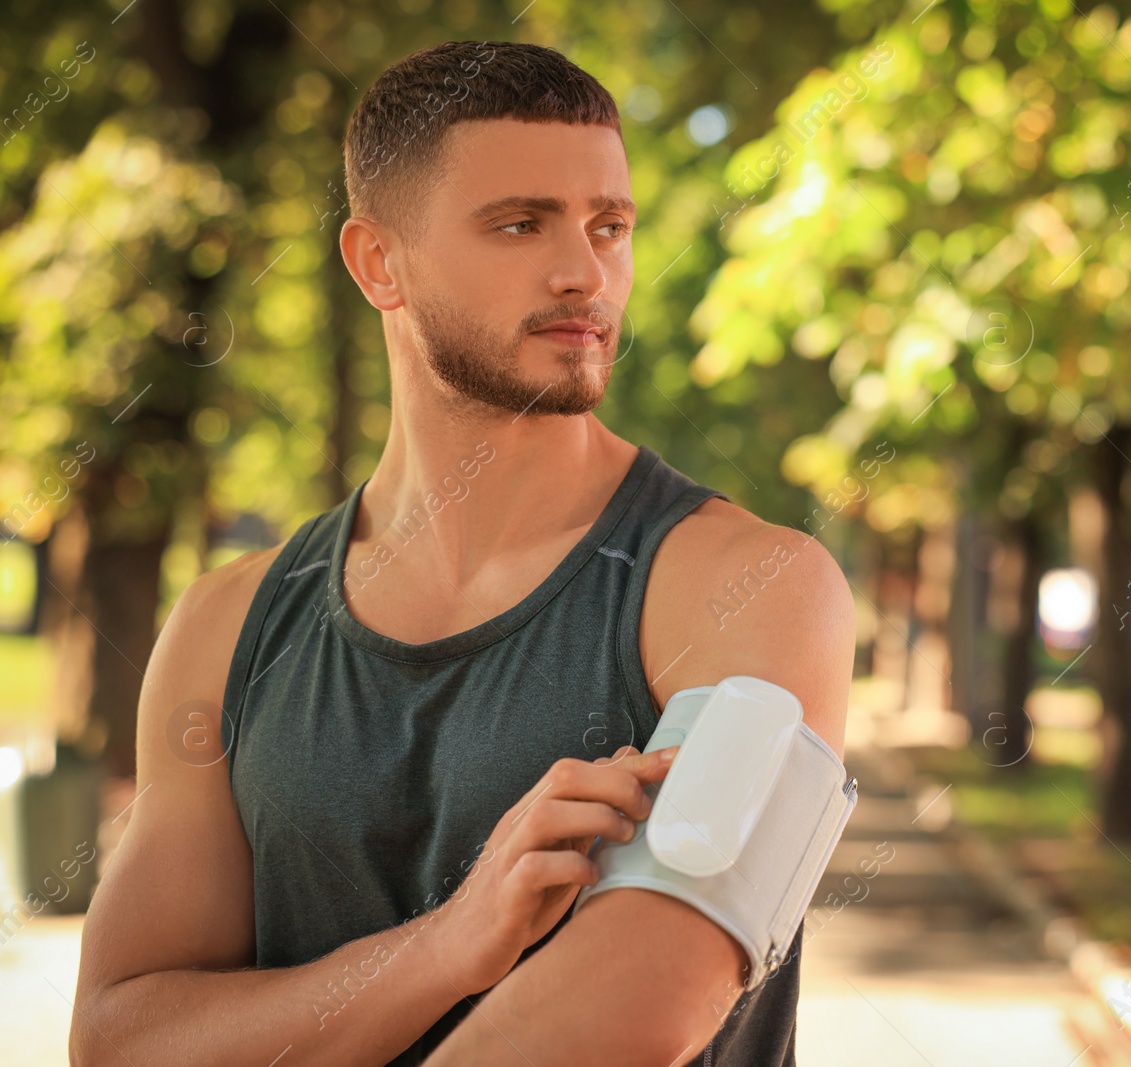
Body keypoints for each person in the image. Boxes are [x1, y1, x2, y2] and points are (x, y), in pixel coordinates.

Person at [69, 40, 854, 1067]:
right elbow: (121, 1037)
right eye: (520, 224)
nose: (586, 272)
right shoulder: (227, 628)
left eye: (608, 226)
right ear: (376, 263)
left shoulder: (750, 588)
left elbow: (638, 1016)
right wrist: (450, 942)